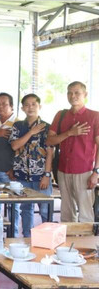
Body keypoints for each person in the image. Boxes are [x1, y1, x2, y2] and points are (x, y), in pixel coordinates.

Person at [46, 81, 99, 223]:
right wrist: (69, 133)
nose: (72, 96)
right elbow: (49, 141)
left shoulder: (94, 116)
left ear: (85, 94)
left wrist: (96, 172)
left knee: (86, 213)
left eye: (77, 93)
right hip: (63, 170)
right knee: (66, 213)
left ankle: (87, 245)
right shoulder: (61, 115)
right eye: (69, 92)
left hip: (85, 170)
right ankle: (68, 243)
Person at [8, 94, 53, 237]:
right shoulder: (18, 126)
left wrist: (46, 175)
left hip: (41, 176)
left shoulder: (47, 127)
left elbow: (50, 153)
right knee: (26, 208)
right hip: (21, 175)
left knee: (45, 210)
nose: (30, 107)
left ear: (40, 106)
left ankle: (48, 238)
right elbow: (15, 145)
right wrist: (31, 132)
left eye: (34, 104)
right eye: (27, 105)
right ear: (22, 108)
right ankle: (27, 237)